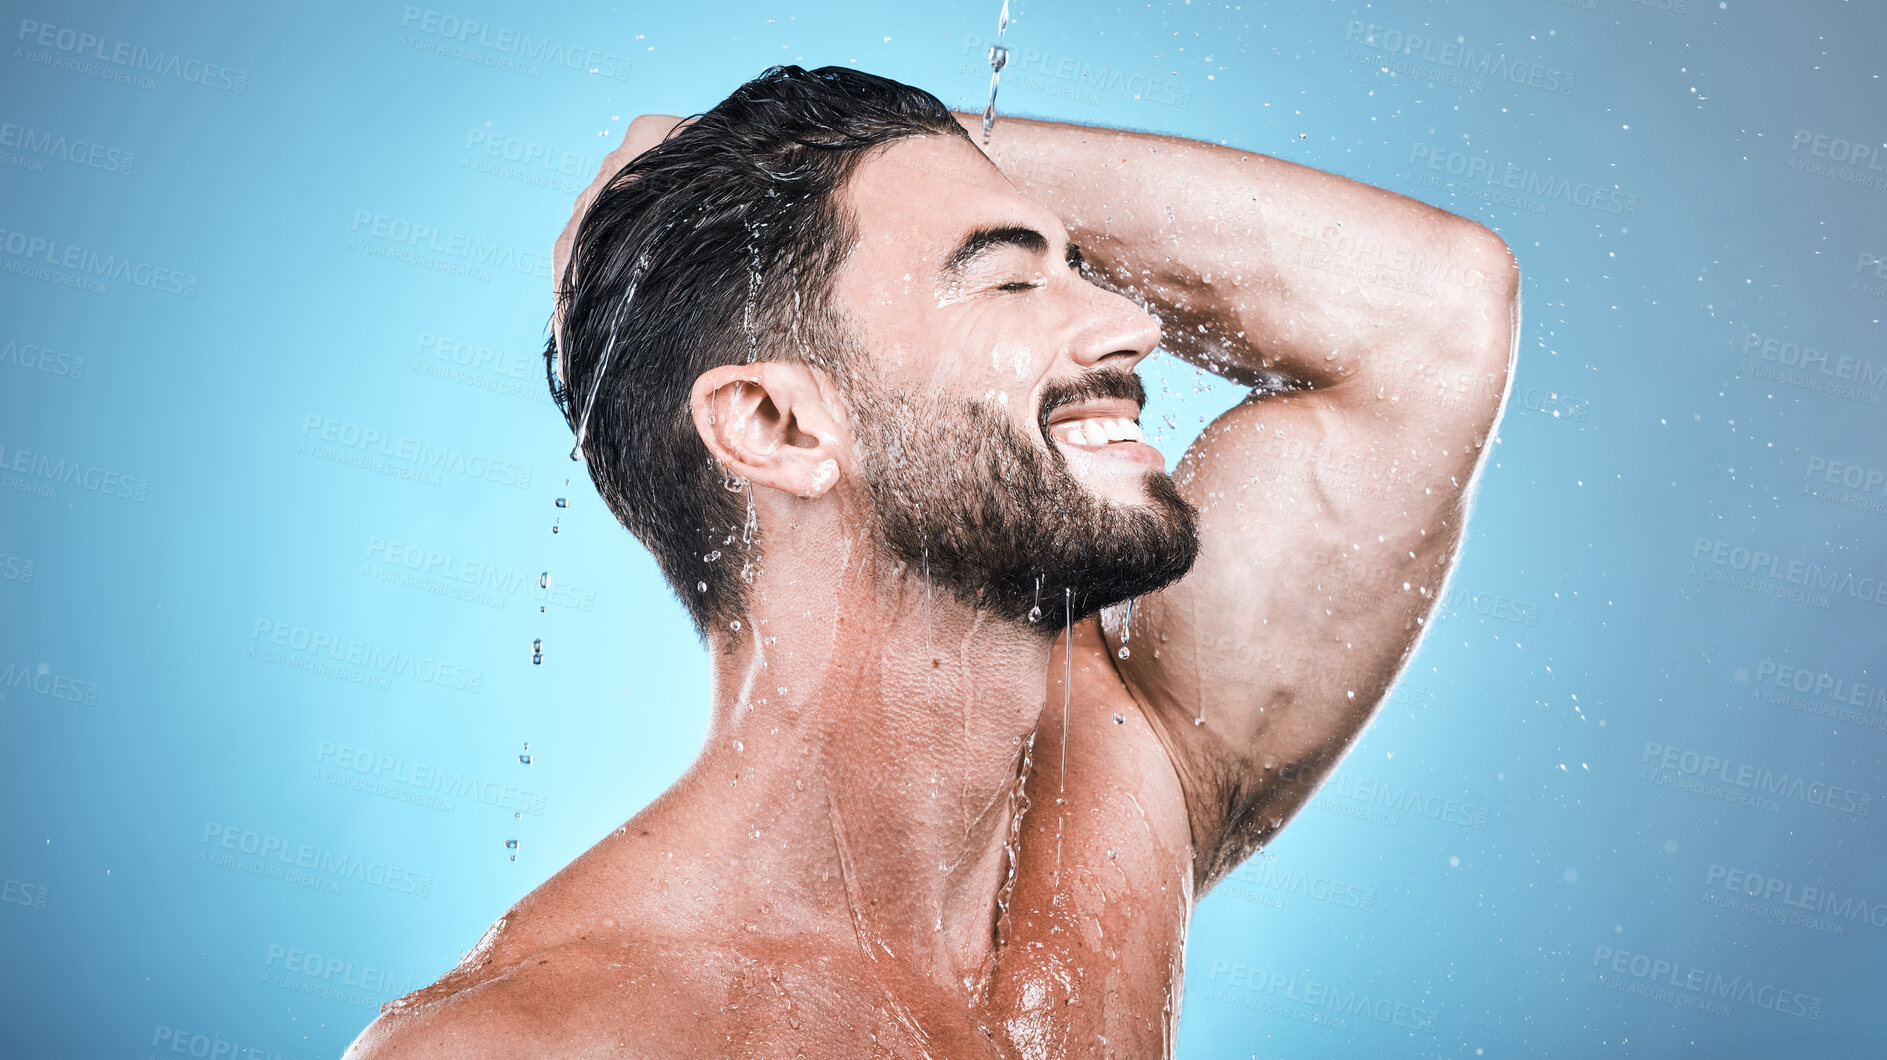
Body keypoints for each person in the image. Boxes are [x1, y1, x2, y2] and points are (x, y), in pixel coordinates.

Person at [347, 65, 1517, 1058]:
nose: (1134, 323)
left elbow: (1435, 310)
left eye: (1080, 263)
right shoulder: (543, 1038)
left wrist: (729, 162)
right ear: (776, 425)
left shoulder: (1125, 788)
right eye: (1011, 279)